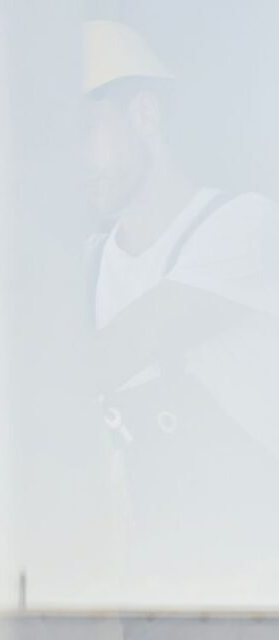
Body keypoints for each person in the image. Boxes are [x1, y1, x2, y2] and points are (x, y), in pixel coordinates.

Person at [82, 19, 279, 604]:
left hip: (253, 595)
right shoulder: (88, 267)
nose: (71, 161)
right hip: (154, 595)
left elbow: (117, 351)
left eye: (84, 131)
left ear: (145, 115)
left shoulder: (242, 225)